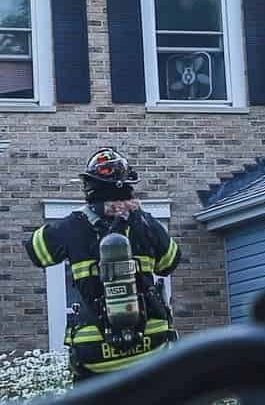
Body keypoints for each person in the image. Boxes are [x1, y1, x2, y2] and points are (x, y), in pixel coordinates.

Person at [27, 149, 179, 381]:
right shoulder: (146, 222)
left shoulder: (73, 224)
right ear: (128, 183)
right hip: (151, 346)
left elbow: (36, 252)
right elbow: (169, 262)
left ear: (89, 186)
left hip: (94, 349)